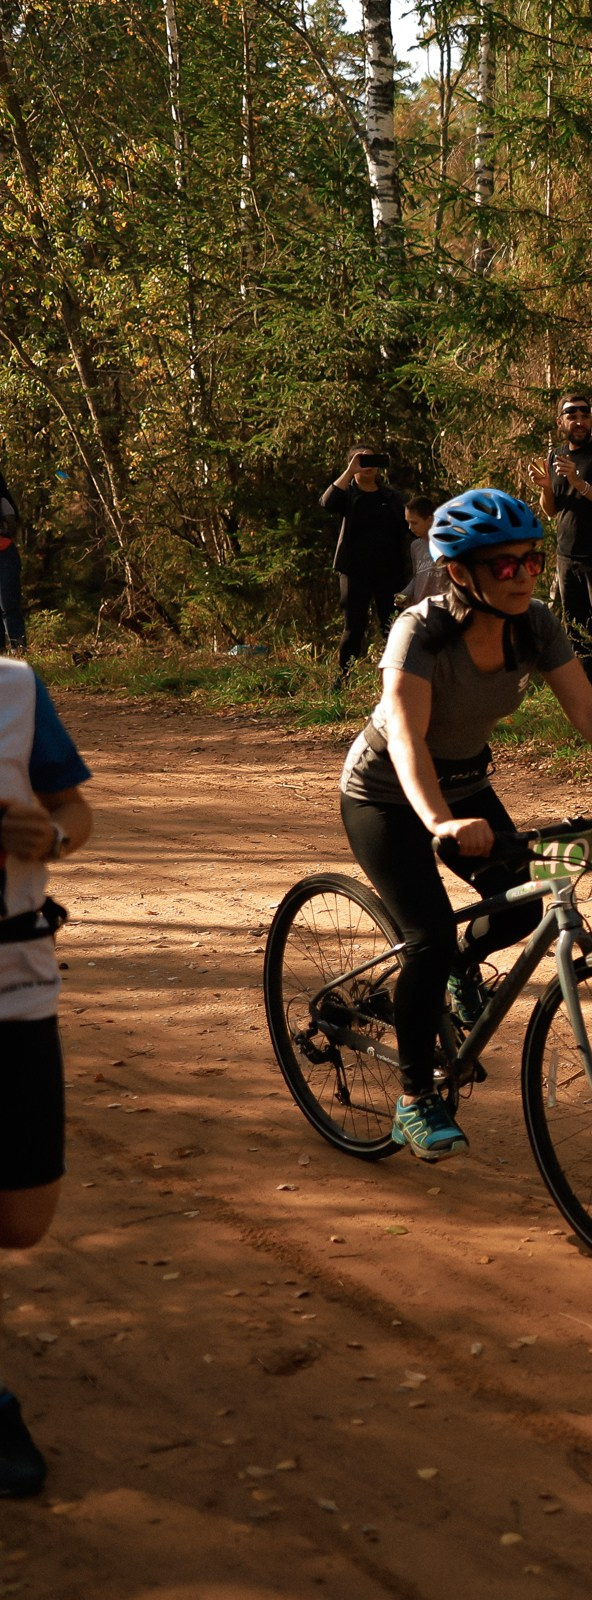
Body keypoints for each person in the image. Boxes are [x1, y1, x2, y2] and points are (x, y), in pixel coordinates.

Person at [339, 489, 592, 1161]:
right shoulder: (420, 630)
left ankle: (449, 975)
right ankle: (415, 1099)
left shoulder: (536, 624)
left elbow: (586, 710)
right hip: (385, 794)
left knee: (523, 911)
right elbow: (407, 738)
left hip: (467, 785)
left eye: (531, 559)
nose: (525, 574)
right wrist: (439, 820)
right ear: (461, 573)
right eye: (506, 566)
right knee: (429, 936)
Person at [0, 657, 94, 1496]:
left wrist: (51, 837)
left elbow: (73, 807)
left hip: (14, 978)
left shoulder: (15, 688)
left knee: (23, 1218)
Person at [532, 394, 592, 684]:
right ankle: (591, 691)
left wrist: (579, 483)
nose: (579, 420)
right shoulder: (555, 457)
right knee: (577, 630)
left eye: (585, 414)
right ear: (560, 422)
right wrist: (546, 487)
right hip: (567, 557)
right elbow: (550, 511)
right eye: (571, 415)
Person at [321, 447, 413, 675]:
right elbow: (327, 503)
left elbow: (410, 525)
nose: (367, 464)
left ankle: (399, 678)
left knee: (392, 627)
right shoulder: (348, 495)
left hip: (390, 572)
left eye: (371, 458)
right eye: (362, 459)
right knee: (353, 629)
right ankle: (342, 679)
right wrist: (349, 471)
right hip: (355, 572)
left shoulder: (392, 497)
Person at [0, 463, 25, 651]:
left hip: (4, 554)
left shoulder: (2, 501)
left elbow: (12, 527)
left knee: (9, 603)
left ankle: (18, 647)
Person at [402, 495, 443, 602]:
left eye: (414, 523)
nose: (410, 527)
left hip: (443, 608)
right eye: (408, 522)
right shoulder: (415, 546)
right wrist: (404, 594)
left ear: (430, 519)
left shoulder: (447, 544)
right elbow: (417, 577)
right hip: (421, 609)